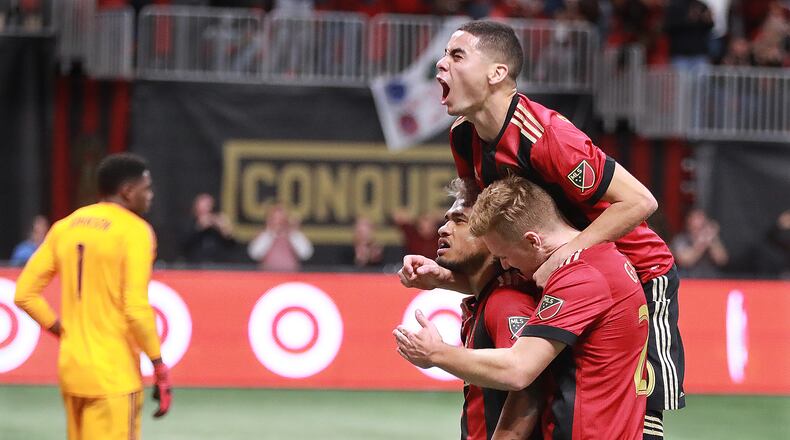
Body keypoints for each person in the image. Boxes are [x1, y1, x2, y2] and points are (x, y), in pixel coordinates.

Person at [398, 20, 683, 438]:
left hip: (637, 272)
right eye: (443, 56)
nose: (441, 65)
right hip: (560, 270)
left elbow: (640, 202)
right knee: (558, 402)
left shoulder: (548, 137)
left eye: (456, 56)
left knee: (639, 421)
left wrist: (568, 254)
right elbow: (494, 229)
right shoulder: (464, 137)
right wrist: (447, 275)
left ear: (497, 73)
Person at [395, 175, 650, 440]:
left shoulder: (580, 277)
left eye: (505, 256)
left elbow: (518, 370)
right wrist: (445, 279)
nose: (505, 267)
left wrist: (435, 353)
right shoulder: (603, 260)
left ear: (532, 241)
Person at [14, 153, 171, 440]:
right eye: (146, 188)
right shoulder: (135, 231)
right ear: (127, 191)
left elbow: (24, 294)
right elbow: (136, 308)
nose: (150, 195)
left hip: (73, 370)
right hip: (113, 374)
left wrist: (62, 330)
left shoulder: (65, 226)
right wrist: (158, 364)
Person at [436, 178, 543, 440]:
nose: (444, 229)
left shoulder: (506, 302)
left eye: (459, 220)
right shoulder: (484, 301)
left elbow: (527, 391)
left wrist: (434, 353)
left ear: (493, 236)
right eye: (447, 219)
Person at [248, 203, 314, 271]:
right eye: (274, 219)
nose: (278, 222)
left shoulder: (295, 235)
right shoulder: (264, 235)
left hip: (291, 275)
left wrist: (291, 234)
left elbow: (306, 254)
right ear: (269, 220)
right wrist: (271, 234)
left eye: (281, 219)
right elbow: (255, 254)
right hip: (267, 275)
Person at [671, 208, 729, 278]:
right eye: (695, 227)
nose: (698, 230)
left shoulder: (711, 239)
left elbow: (722, 260)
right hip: (689, 280)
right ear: (689, 225)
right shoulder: (680, 240)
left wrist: (713, 239)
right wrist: (701, 243)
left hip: (711, 279)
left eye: (701, 226)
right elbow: (685, 261)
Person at [181, 193, 236, 264]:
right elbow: (183, 244)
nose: (207, 208)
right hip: (194, 265)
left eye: (209, 205)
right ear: (196, 206)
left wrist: (225, 231)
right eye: (204, 205)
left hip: (216, 265)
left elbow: (231, 246)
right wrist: (199, 227)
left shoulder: (215, 226)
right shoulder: (188, 223)